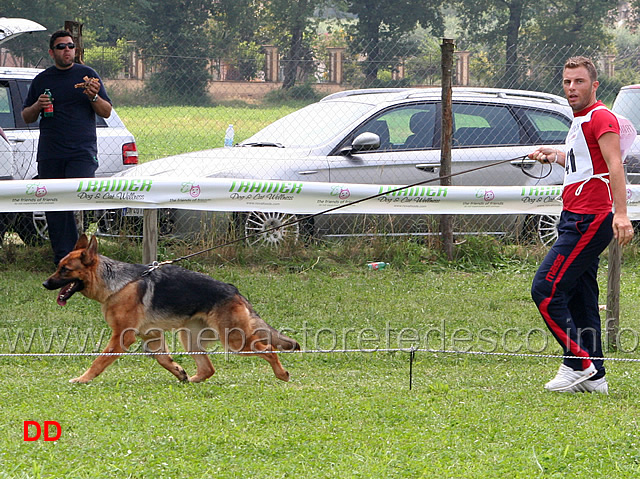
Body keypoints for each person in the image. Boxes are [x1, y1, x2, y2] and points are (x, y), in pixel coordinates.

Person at [529, 56, 634, 394]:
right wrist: (555, 155)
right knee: (581, 296)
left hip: (590, 219)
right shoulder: (581, 120)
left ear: (594, 85)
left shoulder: (601, 117)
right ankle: (597, 376)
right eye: (567, 82)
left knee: (545, 290)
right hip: (572, 216)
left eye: (579, 82)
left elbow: (615, 165)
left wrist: (621, 214)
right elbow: (585, 162)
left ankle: (580, 364)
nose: (572, 88)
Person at [22, 30, 112, 266]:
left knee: (77, 201)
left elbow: (106, 111)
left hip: (81, 152)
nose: (67, 50)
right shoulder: (43, 80)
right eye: (61, 47)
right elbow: (26, 116)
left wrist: (93, 97)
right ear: (52, 52)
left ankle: (82, 259)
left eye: (70, 46)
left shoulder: (88, 76)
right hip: (51, 153)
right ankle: (63, 259)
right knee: (54, 205)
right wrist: (38, 106)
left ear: (75, 50)